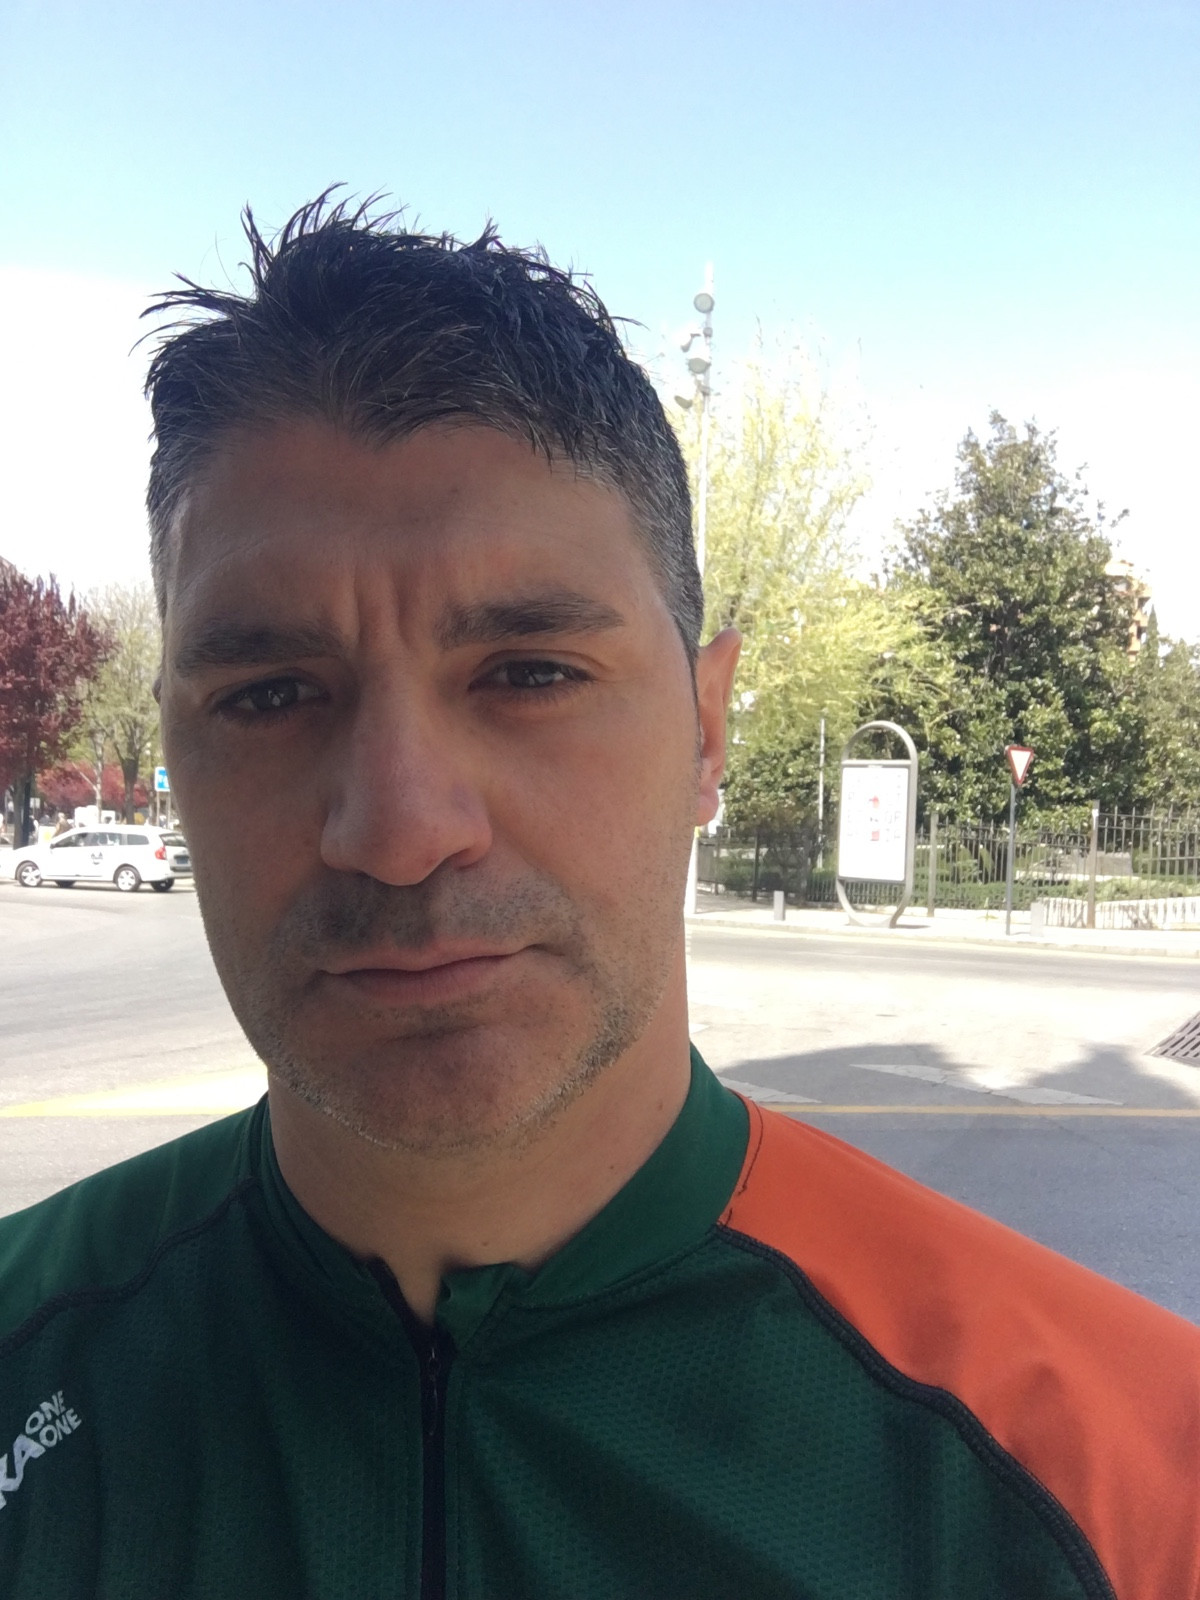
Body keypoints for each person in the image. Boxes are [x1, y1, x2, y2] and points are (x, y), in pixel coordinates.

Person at [0, 197, 1197, 1600]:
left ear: (706, 732)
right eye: (268, 696)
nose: (400, 831)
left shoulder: (1132, 1489)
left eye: (529, 674)